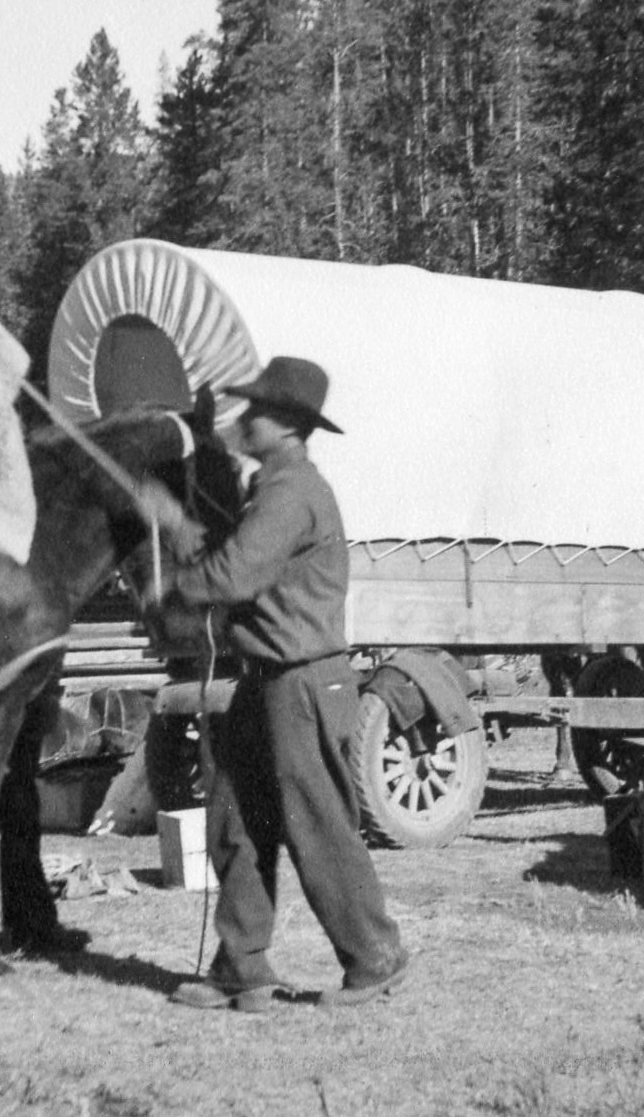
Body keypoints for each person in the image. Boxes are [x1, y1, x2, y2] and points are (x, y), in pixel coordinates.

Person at [151, 356, 408, 1012]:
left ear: (287, 425)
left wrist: (175, 584)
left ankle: (376, 957)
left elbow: (237, 574)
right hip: (269, 678)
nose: (242, 420)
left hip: (300, 681)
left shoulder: (291, 491)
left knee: (316, 824)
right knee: (237, 815)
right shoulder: (274, 485)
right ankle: (242, 964)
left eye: (254, 411)